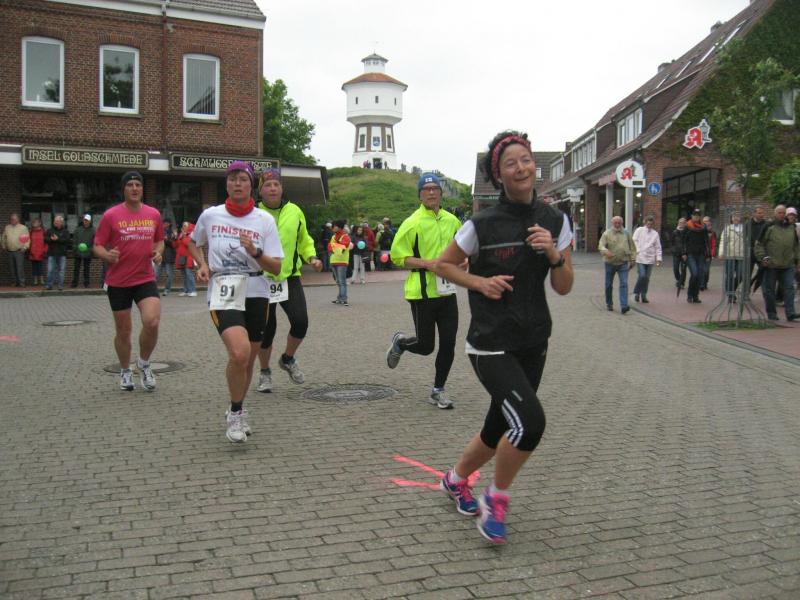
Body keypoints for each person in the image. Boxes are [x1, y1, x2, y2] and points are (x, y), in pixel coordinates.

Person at [431, 130, 573, 544]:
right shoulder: (482, 224)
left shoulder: (555, 220)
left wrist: (554, 254)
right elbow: (443, 265)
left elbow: (564, 286)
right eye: (511, 163)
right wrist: (480, 282)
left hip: (534, 340)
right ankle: (496, 497)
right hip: (490, 342)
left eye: (526, 159)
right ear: (499, 175)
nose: (521, 168)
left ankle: (455, 479)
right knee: (529, 423)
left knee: (498, 426)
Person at [188, 161, 283, 443]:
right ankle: (236, 413)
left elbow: (276, 267)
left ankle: (236, 408)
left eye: (242, 179)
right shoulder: (211, 215)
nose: (237, 184)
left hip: (256, 290)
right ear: (226, 184)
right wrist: (202, 264)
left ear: (251, 185)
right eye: (232, 179)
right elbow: (192, 242)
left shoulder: (264, 220)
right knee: (239, 353)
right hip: (223, 288)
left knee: (249, 359)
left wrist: (255, 252)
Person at [386, 173, 462, 409]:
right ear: (420, 195)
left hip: (447, 292)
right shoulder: (412, 223)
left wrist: (464, 262)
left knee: (448, 343)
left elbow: (463, 249)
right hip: (422, 294)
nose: (431, 192)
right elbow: (398, 257)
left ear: (440, 193)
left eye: (434, 188)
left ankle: (438, 390)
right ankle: (400, 344)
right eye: (426, 189)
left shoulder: (453, 221)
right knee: (426, 346)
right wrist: (428, 264)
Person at [253, 167, 322, 394]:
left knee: (301, 322)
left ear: (282, 188)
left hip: (289, 277)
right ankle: (265, 372)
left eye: (276, 184)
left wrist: (311, 257)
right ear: (260, 191)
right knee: (266, 330)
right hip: (261, 280)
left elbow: (304, 240)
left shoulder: (295, 211)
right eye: (267, 185)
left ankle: (287, 358)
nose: (273, 188)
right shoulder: (253, 213)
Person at [93, 171, 164, 391]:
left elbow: (160, 240)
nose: (134, 188)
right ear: (124, 189)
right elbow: (97, 245)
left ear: (142, 189)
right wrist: (106, 255)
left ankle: (143, 363)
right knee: (124, 331)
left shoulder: (153, 214)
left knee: (152, 322)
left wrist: (158, 252)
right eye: (130, 185)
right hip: (118, 282)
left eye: (138, 185)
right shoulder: (111, 215)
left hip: (145, 278)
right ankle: (125, 370)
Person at [754, 204, 799, 321]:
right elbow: (759, 245)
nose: (782, 215)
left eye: (784, 213)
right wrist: (763, 258)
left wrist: (797, 261)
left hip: (788, 264)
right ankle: (772, 313)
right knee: (769, 290)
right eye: (779, 213)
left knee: (789, 288)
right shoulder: (769, 226)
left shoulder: (791, 227)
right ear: (775, 213)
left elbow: (796, 246)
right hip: (771, 265)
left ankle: (790, 313)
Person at [598, 216, 636, 313]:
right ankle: (609, 303)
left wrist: (633, 259)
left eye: (619, 223)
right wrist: (606, 251)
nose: (617, 225)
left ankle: (624, 305)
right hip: (610, 263)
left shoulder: (626, 233)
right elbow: (601, 245)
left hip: (623, 263)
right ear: (612, 223)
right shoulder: (607, 233)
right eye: (616, 223)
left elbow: (632, 247)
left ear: (622, 223)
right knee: (608, 284)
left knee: (624, 283)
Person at [632, 215, 662, 303]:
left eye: (651, 224)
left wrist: (658, 258)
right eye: (648, 223)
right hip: (640, 257)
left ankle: (643, 295)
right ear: (645, 223)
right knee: (642, 275)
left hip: (650, 258)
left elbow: (658, 247)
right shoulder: (639, 230)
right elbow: (634, 240)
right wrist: (638, 250)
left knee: (647, 278)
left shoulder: (655, 234)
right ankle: (637, 292)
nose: (649, 225)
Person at [681, 209, 709, 304]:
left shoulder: (703, 227)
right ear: (692, 216)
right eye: (694, 215)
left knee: (700, 275)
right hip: (690, 254)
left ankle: (695, 295)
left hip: (701, 253)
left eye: (698, 215)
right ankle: (690, 294)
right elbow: (683, 241)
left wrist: (708, 253)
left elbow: (706, 241)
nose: (696, 217)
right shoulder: (687, 226)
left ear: (700, 216)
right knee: (694, 274)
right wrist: (683, 253)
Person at [718, 212, 745, 302]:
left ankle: (731, 289)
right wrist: (721, 252)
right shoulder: (728, 229)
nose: (736, 218)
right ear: (731, 219)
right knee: (729, 275)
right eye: (734, 217)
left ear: (740, 218)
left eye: (738, 216)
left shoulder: (744, 229)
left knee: (741, 275)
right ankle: (730, 295)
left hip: (741, 255)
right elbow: (723, 241)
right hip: (730, 255)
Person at [2, 213, 30, 287]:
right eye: (11, 219)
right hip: (10, 251)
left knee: (19, 267)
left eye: (14, 219)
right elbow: (3, 237)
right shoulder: (7, 227)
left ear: (18, 219)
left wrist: (25, 247)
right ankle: (14, 282)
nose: (12, 220)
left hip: (19, 251)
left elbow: (27, 239)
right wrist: (3, 245)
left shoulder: (23, 228)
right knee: (12, 268)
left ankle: (22, 282)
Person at [45, 215, 70, 291]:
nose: (56, 222)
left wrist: (58, 239)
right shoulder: (50, 230)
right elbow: (45, 239)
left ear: (61, 222)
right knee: (50, 270)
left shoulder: (65, 231)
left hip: (62, 254)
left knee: (61, 271)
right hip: (51, 253)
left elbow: (67, 241)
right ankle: (49, 285)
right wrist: (51, 239)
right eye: (55, 221)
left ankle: (60, 285)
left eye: (57, 221)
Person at [328, 220, 351, 306]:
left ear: (340, 227)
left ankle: (344, 299)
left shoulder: (345, 236)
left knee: (342, 281)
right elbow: (329, 247)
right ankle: (340, 298)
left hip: (342, 261)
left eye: (335, 226)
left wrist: (334, 246)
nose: (333, 227)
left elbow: (343, 247)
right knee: (338, 281)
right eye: (333, 226)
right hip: (333, 261)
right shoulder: (333, 237)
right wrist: (337, 246)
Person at [71, 214, 95, 288]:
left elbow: (94, 242)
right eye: (85, 220)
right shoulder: (78, 230)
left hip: (87, 253)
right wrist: (75, 248)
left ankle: (86, 283)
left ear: (90, 221)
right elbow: (74, 240)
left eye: (87, 220)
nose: (85, 222)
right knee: (76, 269)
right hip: (78, 252)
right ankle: (74, 283)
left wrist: (90, 250)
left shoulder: (93, 231)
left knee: (86, 269)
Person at [154, 219, 177, 295]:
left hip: (169, 256)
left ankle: (167, 289)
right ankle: (153, 289)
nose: (164, 224)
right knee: (155, 274)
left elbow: (174, 244)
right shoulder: (160, 232)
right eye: (163, 223)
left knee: (169, 274)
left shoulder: (172, 233)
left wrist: (166, 240)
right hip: (160, 255)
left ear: (169, 224)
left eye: (166, 223)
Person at [175, 222, 196, 297]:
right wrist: (175, 238)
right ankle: (186, 290)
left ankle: (193, 290)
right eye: (183, 225)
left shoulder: (191, 235)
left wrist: (183, 236)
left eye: (185, 226)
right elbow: (176, 245)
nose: (183, 227)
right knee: (184, 275)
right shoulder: (182, 235)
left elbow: (187, 243)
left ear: (188, 227)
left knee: (189, 274)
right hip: (181, 257)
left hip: (188, 257)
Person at [27, 218, 47, 285]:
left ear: (39, 223)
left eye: (35, 222)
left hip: (41, 252)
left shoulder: (43, 232)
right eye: (33, 222)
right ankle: (35, 281)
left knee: (41, 267)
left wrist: (44, 250)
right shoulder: (31, 232)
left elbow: (46, 242)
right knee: (34, 267)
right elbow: (28, 241)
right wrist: (29, 250)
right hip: (33, 252)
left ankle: (42, 280)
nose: (34, 223)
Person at [670, 217, 687, 289]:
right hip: (676, 253)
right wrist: (673, 249)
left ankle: (681, 283)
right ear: (678, 223)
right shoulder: (674, 232)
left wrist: (685, 253)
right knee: (675, 268)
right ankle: (679, 280)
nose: (681, 224)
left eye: (683, 223)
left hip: (684, 254)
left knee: (683, 269)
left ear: (685, 224)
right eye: (680, 222)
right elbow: (672, 242)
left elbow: (687, 243)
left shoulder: (687, 232)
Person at [701, 215, 717, 291]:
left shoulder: (712, 233)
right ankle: (701, 284)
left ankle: (705, 282)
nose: (705, 222)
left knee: (706, 270)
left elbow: (713, 244)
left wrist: (712, 254)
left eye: (707, 221)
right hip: (700, 253)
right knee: (701, 269)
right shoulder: (699, 230)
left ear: (709, 222)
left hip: (708, 254)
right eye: (704, 221)